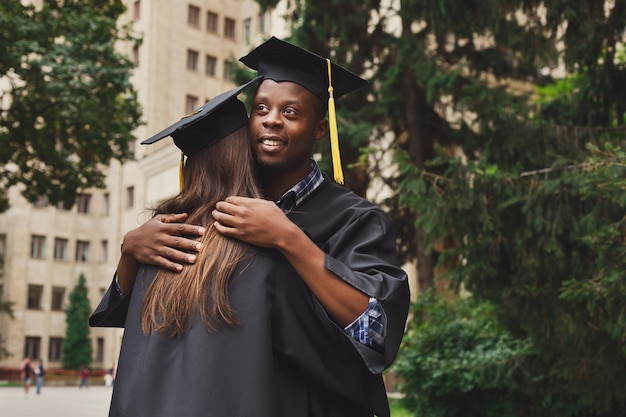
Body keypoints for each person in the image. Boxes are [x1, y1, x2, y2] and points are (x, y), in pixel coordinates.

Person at [117, 36, 410, 417]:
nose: (272, 119)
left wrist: (288, 239)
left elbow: (375, 333)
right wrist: (130, 252)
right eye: (261, 108)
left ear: (320, 130)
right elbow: (153, 329)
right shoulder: (217, 213)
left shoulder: (354, 218)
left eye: (290, 112)